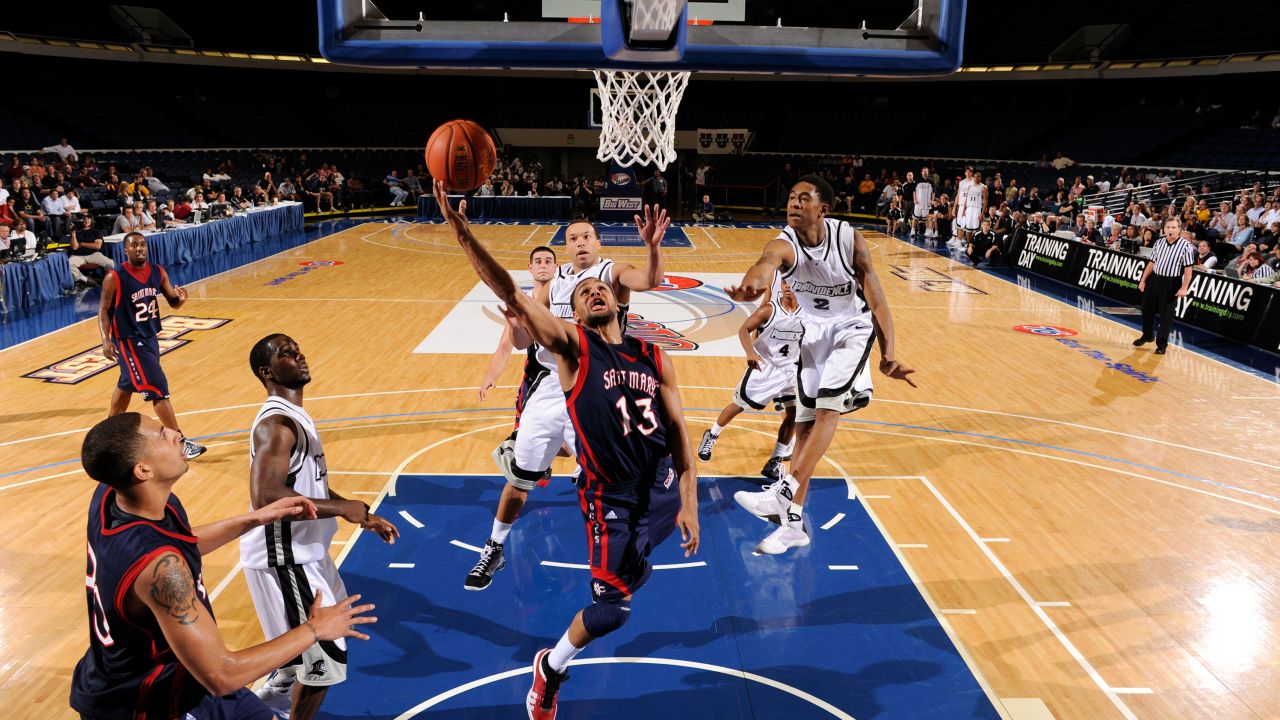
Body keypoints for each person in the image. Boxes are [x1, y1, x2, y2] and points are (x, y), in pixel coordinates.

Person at [434, 180, 698, 720]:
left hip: (664, 486)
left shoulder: (653, 355)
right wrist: (464, 237)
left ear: (616, 300)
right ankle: (550, 667)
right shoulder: (574, 350)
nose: (594, 293)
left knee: (632, 575)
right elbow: (510, 293)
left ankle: (623, 573)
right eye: (582, 296)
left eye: (599, 291)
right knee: (611, 613)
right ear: (573, 315)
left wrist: (690, 497)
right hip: (612, 497)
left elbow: (678, 432)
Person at [70, 412, 376, 720]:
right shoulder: (162, 567)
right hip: (147, 704)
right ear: (143, 470)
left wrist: (254, 519)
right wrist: (314, 629)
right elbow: (222, 675)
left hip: (177, 675)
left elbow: (181, 544)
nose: (176, 434)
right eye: (163, 435)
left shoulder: (112, 497)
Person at [465, 193, 668, 592]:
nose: (579, 242)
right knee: (520, 479)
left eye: (587, 236)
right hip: (548, 391)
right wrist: (516, 323)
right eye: (573, 237)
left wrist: (653, 247)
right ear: (566, 245)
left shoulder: (611, 274)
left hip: (596, 389)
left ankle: (625, 547)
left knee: (610, 475)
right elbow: (524, 339)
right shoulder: (552, 284)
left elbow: (651, 280)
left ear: (598, 243)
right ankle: (495, 546)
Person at [727, 175, 916, 554]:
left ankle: (785, 488)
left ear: (823, 208)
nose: (793, 204)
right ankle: (793, 523)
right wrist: (749, 288)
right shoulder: (785, 243)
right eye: (791, 198)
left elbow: (877, 301)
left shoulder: (849, 241)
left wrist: (888, 353)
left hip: (852, 328)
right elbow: (765, 264)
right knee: (804, 426)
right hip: (812, 333)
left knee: (829, 407)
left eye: (803, 198)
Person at [242, 334, 399, 720]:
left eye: (298, 350)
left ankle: (278, 687)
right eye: (286, 354)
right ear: (267, 371)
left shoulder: (295, 416)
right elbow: (266, 497)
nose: (299, 356)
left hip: (307, 553)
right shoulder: (276, 424)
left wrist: (356, 512)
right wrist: (341, 508)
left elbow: (306, 484)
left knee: (325, 642)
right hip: (285, 558)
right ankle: (281, 695)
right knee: (325, 660)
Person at [98, 232, 207, 459]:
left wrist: (181, 299)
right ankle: (179, 443)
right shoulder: (114, 276)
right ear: (125, 251)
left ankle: (107, 434)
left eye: (142, 244)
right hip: (128, 341)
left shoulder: (158, 271)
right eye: (134, 245)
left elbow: (173, 302)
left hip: (150, 337)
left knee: (127, 383)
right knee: (158, 387)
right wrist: (106, 340)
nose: (139, 248)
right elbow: (103, 310)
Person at [697, 278, 802, 481]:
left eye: (792, 284)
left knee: (793, 414)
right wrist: (750, 353)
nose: (788, 287)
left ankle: (775, 460)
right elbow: (743, 329)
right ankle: (712, 434)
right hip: (765, 367)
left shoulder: (807, 312)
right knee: (738, 405)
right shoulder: (769, 310)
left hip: (790, 369)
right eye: (785, 284)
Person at [1134, 217, 1195, 355]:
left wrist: (1184, 288)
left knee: (1166, 315)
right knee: (1146, 309)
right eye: (1168, 227)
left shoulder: (1186, 246)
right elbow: (1152, 262)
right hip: (1155, 279)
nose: (1171, 230)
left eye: (1174, 227)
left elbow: (1188, 270)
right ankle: (1148, 335)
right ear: (1164, 229)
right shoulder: (1159, 242)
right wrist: (1143, 280)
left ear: (1179, 229)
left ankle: (1161, 344)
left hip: (1172, 282)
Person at [69, 213, 115, 287]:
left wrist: (82, 244)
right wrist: (73, 233)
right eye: (84, 218)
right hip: (78, 255)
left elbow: (97, 246)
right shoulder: (77, 232)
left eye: (88, 218)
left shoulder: (96, 232)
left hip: (93, 254)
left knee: (111, 263)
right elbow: (74, 247)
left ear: (91, 220)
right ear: (81, 220)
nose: (86, 220)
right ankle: (84, 279)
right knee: (68, 264)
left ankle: (107, 280)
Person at [911, 167, 933, 240]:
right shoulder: (917, 181)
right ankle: (913, 231)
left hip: (927, 203)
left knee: (926, 218)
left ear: (928, 172)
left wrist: (932, 200)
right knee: (915, 218)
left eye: (926, 171)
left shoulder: (931, 181)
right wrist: (914, 199)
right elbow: (914, 191)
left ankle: (927, 232)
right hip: (918, 202)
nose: (925, 172)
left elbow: (933, 192)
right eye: (923, 171)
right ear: (921, 172)